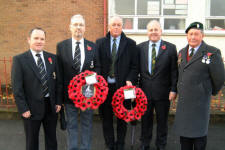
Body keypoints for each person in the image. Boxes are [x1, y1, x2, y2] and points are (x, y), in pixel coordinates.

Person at [174, 22, 225, 150]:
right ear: (187, 36)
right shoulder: (181, 52)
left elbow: (219, 78)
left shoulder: (212, 52)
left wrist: (207, 90)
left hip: (200, 103)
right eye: (190, 34)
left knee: (199, 138)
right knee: (184, 138)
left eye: (196, 34)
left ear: (202, 35)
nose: (193, 37)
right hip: (184, 103)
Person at [11, 27, 61, 150]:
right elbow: (17, 87)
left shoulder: (52, 58)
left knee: (52, 140)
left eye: (42, 39)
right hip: (31, 109)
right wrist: (23, 108)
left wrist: (58, 102)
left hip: (50, 107)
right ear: (29, 40)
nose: (39, 41)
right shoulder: (20, 60)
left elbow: (58, 83)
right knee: (32, 142)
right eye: (36, 38)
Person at [95, 16, 139, 150]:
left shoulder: (131, 44)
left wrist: (130, 79)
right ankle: (109, 144)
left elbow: (134, 66)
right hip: (105, 88)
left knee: (122, 118)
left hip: (123, 88)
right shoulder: (100, 42)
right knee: (106, 118)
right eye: (113, 24)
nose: (116, 27)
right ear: (109, 26)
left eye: (118, 25)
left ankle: (120, 144)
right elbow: (97, 64)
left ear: (122, 27)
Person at [56, 14, 97, 150]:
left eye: (81, 25)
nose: (78, 27)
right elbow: (60, 72)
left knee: (87, 123)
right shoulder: (61, 46)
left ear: (85, 28)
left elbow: (98, 67)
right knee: (71, 124)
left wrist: (90, 80)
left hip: (88, 94)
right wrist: (60, 96)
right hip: (69, 95)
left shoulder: (93, 46)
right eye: (75, 24)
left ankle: (85, 148)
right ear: (70, 27)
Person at [138, 20, 178, 150]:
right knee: (145, 121)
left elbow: (174, 71)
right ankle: (145, 143)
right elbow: (136, 69)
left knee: (162, 121)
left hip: (163, 93)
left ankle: (161, 145)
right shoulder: (140, 48)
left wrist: (173, 89)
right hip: (144, 92)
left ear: (161, 31)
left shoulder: (171, 48)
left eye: (156, 29)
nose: (153, 32)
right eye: (151, 30)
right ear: (147, 32)